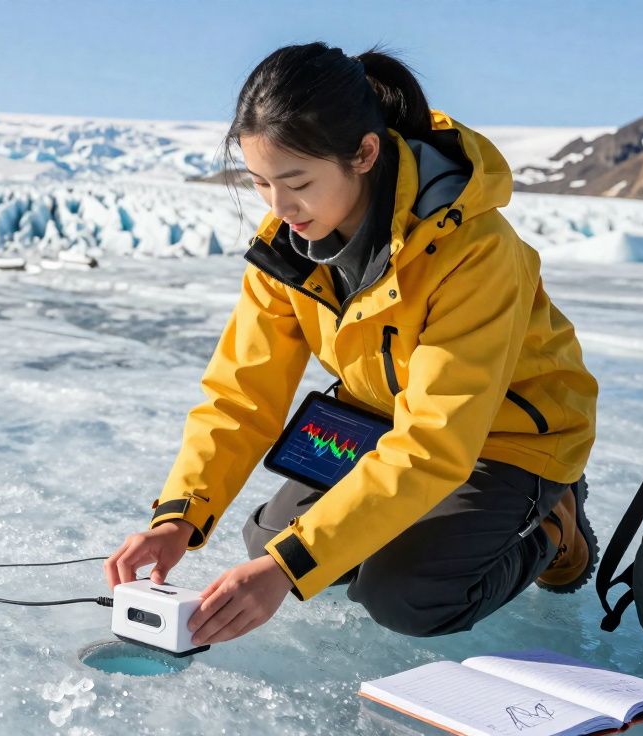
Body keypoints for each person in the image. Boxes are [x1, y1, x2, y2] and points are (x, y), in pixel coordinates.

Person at [103, 42, 600, 648]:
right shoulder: (286, 250)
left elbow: (437, 440)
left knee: (404, 595)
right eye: (260, 183)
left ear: (364, 153)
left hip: (506, 435)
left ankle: (555, 525)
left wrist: (289, 570)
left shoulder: (475, 250)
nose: (281, 209)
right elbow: (242, 393)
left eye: (297, 183)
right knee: (269, 542)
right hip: (379, 419)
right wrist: (180, 515)